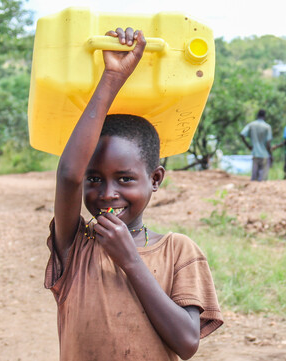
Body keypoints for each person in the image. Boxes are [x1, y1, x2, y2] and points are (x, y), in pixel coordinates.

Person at [45, 28, 223, 361]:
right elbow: (68, 175)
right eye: (94, 179)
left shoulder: (179, 251)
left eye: (125, 179)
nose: (107, 194)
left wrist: (129, 259)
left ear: (155, 179)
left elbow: (187, 343)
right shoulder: (75, 245)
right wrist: (112, 76)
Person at [240, 109, 273, 181]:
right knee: (262, 179)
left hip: (255, 153)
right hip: (264, 155)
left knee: (254, 178)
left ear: (257, 115)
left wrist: (248, 146)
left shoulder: (251, 125)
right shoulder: (267, 127)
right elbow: (268, 143)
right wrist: (271, 154)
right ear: (264, 116)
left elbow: (242, 134)